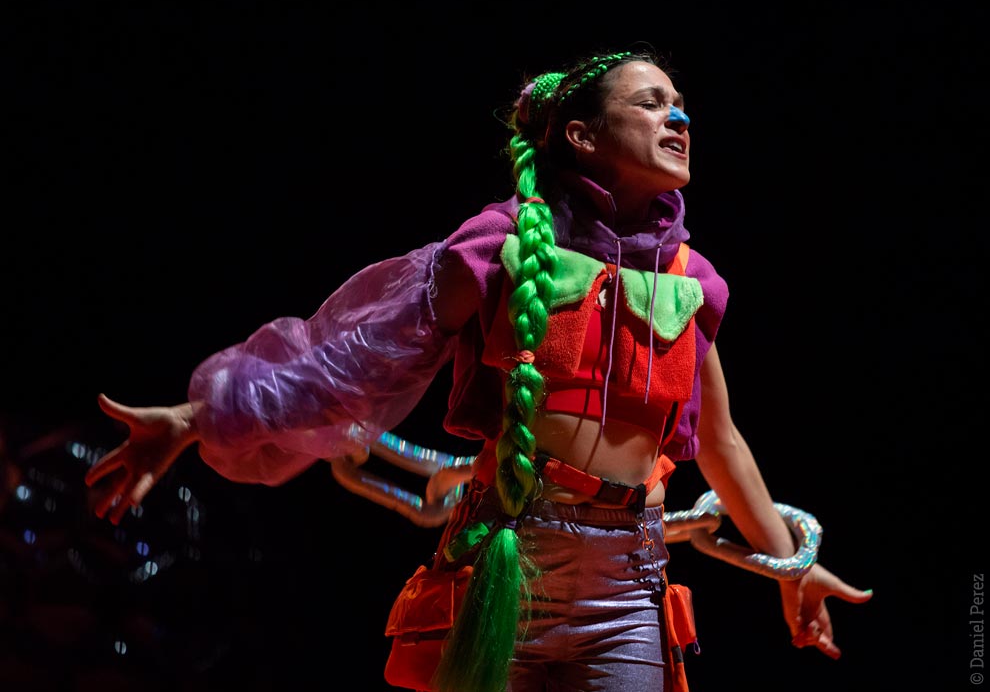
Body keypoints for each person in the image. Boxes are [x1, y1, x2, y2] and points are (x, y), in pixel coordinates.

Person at [84, 45, 873, 691]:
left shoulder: (690, 281)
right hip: (511, 563)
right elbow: (351, 363)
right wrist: (195, 420)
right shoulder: (502, 246)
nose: (680, 116)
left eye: (680, 103)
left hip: (627, 583)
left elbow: (723, 443)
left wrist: (789, 570)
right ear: (581, 136)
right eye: (651, 102)